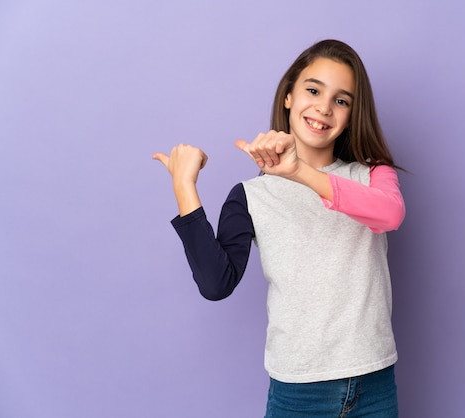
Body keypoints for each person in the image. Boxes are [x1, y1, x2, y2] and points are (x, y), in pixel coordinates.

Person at [153, 39, 405, 417]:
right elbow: (215, 284)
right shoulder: (252, 196)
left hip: (374, 382)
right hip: (298, 391)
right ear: (289, 96)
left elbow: (390, 215)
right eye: (313, 90)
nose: (324, 107)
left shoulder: (372, 174)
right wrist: (183, 186)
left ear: (353, 115)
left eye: (342, 100)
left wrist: (299, 172)